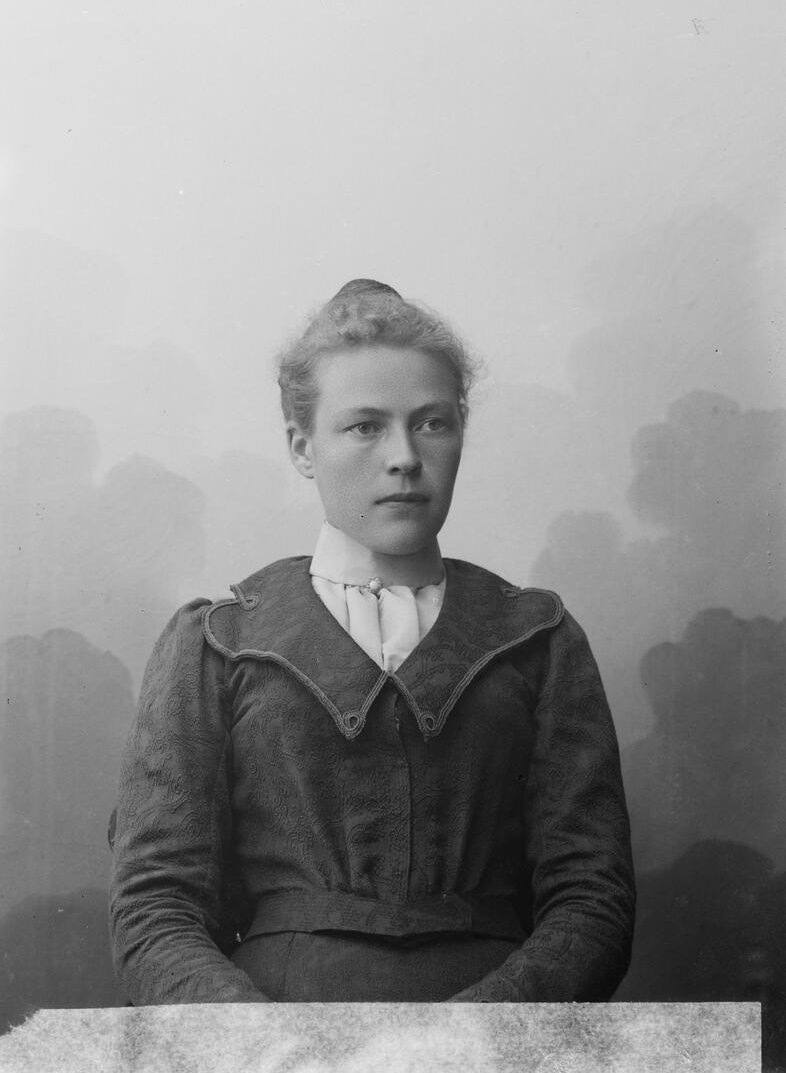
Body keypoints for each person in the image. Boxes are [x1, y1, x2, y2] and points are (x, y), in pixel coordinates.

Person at [109, 279, 635, 1004]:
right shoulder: (217, 643)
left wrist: (471, 1040)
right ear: (302, 447)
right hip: (274, 1034)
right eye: (364, 427)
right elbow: (155, 905)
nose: (404, 457)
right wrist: (270, 1048)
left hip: (498, 1035)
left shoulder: (537, 638)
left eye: (432, 423)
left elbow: (593, 898)